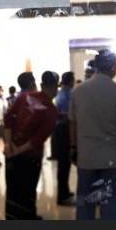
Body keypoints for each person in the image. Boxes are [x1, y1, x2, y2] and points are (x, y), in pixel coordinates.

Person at [69, 49, 116, 220]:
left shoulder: (78, 92)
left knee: (85, 204)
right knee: (111, 204)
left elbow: (73, 123)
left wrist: (73, 147)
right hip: (114, 158)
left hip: (87, 157)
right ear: (113, 67)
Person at [3, 71, 59, 220]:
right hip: (30, 157)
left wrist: (8, 144)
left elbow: (8, 119)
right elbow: (37, 140)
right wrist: (18, 151)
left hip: (11, 152)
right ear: (55, 87)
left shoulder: (24, 97)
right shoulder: (52, 111)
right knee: (28, 189)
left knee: (13, 189)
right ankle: (28, 217)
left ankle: (12, 218)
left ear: (41, 84)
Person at [54, 71, 76, 205]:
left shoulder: (60, 93)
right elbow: (70, 115)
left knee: (63, 164)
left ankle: (64, 192)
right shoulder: (70, 94)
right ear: (71, 81)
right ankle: (62, 195)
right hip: (66, 130)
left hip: (60, 130)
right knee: (65, 163)